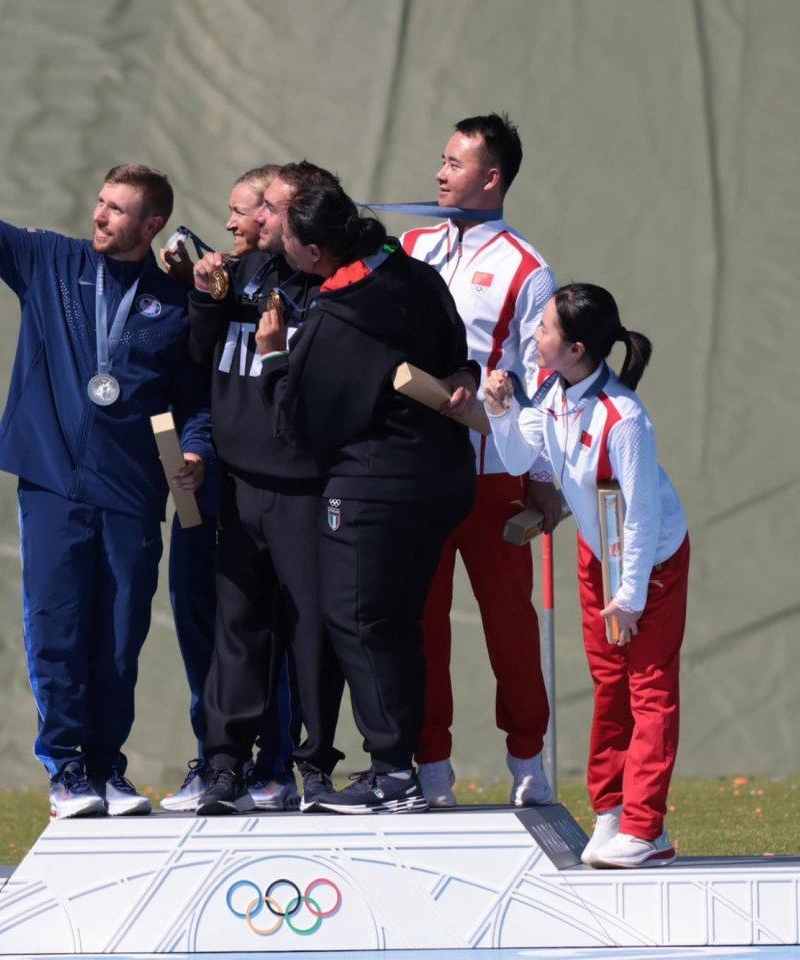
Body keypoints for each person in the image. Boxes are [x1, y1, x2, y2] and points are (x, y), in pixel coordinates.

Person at [0, 112, 212, 819]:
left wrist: (194, 452)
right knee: (58, 625)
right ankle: (66, 770)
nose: (101, 216)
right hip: (54, 483)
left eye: (118, 210)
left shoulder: (172, 306)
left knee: (119, 638)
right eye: (100, 203)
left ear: (151, 224)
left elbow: (197, 405)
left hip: (131, 490)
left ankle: (109, 770)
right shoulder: (49, 262)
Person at [255, 163, 478, 815]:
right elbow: (458, 352)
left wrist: (273, 357)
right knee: (395, 623)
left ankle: (391, 775)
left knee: (356, 619)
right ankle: (398, 766)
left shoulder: (336, 319)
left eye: (288, 235)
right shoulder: (415, 274)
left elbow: (297, 423)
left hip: (372, 489)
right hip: (441, 478)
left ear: (316, 250)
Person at [482, 283, 689, 868]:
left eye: (543, 328)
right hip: (601, 551)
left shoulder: (624, 417)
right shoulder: (552, 391)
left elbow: (643, 511)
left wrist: (630, 595)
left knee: (648, 688)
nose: (534, 335)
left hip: (650, 559)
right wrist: (501, 412)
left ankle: (648, 829)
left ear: (575, 348)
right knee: (609, 684)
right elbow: (523, 460)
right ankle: (613, 810)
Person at [166, 164, 345, 815]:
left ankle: (314, 770)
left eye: (264, 207)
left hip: (305, 484)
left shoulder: (330, 282)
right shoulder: (239, 276)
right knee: (238, 630)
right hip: (240, 487)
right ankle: (224, 767)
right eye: (254, 207)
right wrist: (204, 297)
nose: (250, 219)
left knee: (311, 633)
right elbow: (198, 359)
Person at [401, 113, 557, 808]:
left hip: (494, 472)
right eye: (441, 160)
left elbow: (543, 377)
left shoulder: (526, 267)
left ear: (490, 178)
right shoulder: (408, 248)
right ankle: (431, 769)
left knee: (509, 625)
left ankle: (528, 762)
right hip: (415, 468)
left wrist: (546, 479)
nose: (439, 173)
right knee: (421, 624)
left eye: (454, 164)